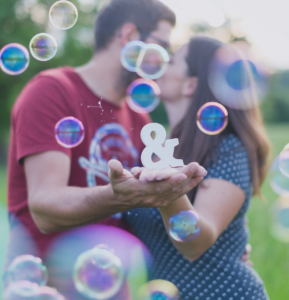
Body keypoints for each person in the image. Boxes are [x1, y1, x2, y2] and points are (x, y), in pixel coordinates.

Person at [6, 0, 207, 298]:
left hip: (111, 282)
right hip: (47, 283)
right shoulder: (52, 91)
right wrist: (118, 196)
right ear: (128, 36)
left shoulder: (139, 116)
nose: (165, 59)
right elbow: (43, 208)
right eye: (161, 45)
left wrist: (225, 244)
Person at [126, 36, 271, 300]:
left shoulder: (228, 149)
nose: (159, 65)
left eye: (170, 61)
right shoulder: (162, 149)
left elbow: (195, 245)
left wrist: (167, 190)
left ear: (191, 83)